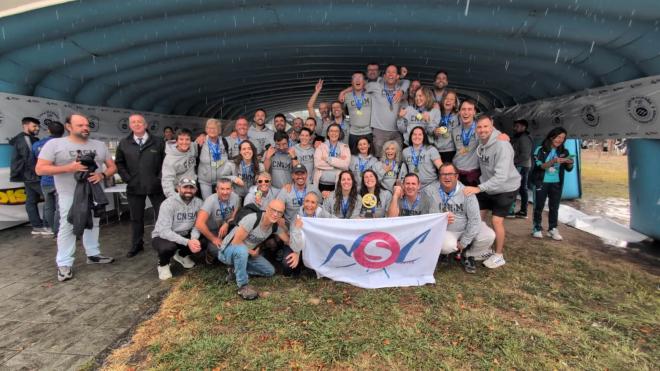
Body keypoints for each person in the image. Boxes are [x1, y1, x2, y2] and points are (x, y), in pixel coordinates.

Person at [36, 113, 117, 282]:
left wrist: (102, 175)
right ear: (69, 126)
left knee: (94, 222)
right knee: (68, 225)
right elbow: (40, 169)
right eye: (80, 125)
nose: (85, 128)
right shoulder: (55, 144)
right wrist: (68, 168)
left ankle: (93, 254)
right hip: (69, 194)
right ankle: (64, 263)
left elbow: (112, 167)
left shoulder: (99, 145)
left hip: (94, 192)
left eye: (87, 125)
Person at [463, 115, 521, 270]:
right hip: (488, 186)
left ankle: (499, 255)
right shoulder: (481, 142)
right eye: (479, 127)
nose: (482, 130)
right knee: (477, 218)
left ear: (492, 126)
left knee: (496, 221)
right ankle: (482, 249)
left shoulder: (502, 144)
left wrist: (479, 188)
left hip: (505, 187)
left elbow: (501, 177)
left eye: (486, 126)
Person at [218, 199, 299, 300]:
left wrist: (297, 251)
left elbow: (288, 241)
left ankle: (235, 271)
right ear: (267, 208)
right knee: (242, 251)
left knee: (269, 271)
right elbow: (236, 243)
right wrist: (252, 252)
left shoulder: (275, 226)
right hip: (228, 251)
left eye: (279, 212)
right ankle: (243, 286)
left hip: (247, 254)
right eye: (273, 210)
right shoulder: (252, 219)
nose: (275, 214)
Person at [425, 163, 495, 273]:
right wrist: (441, 218)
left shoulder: (467, 192)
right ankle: (449, 253)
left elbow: (475, 220)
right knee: (446, 246)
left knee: (489, 235)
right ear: (439, 176)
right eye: (443, 174)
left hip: (466, 227)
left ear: (457, 176)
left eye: (450, 174)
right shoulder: (431, 191)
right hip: (448, 230)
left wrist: (464, 242)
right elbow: (427, 214)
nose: (447, 177)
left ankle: (468, 254)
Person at [115, 114, 167, 257]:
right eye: (133, 122)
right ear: (130, 125)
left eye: (139, 122)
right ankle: (137, 244)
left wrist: (159, 179)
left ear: (145, 125)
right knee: (136, 218)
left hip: (156, 186)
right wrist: (127, 178)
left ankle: (164, 243)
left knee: (163, 215)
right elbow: (119, 163)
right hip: (134, 186)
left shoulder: (158, 142)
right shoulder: (124, 143)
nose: (136, 124)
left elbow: (165, 162)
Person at [151, 178, 203, 280]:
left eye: (191, 188)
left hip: (185, 234)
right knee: (168, 248)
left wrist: (193, 239)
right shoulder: (168, 204)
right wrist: (187, 242)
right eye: (185, 187)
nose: (188, 190)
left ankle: (182, 255)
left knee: (203, 241)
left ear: (195, 190)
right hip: (164, 236)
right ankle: (163, 264)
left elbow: (198, 225)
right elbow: (164, 231)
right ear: (178, 189)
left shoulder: (199, 203)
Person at [531, 127, 574, 240]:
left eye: (563, 138)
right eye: (558, 137)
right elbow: (541, 166)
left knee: (554, 207)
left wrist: (570, 162)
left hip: (556, 183)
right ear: (551, 136)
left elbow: (569, 169)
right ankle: (537, 228)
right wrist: (553, 161)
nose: (560, 140)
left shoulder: (564, 152)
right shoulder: (540, 150)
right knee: (538, 206)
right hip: (542, 182)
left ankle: (552, 229)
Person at [10, 117, 50, 235]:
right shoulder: (25, 139)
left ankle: (37, 226)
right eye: (34, 126)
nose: (37, 128)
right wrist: (38, 172)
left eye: (38, 126)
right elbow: (29, 159)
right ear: (26, 126)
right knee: (49, 197)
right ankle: (47, 225)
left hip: (28, 175)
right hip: (32, 175)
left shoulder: (29, 139)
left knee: (31, 200)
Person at [366, 64, 408, 157]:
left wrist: (401, 91)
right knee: (378, 156)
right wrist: (343, 92)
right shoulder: (375, 86)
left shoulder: (400, 88)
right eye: (388, 72)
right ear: (384, 76)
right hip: (379, 131)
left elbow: (407, 81)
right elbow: (359, 85)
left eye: (393, 72)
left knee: (397, 158)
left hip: (396, 132)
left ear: (398, 76)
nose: (390, 74)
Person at [32, 120, 65, 235]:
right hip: (61, 180)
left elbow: (34, 161)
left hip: (45, 180)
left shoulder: (37, 144)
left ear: (49, 130)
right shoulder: (65, 143)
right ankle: (58, 231)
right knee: (60, 207)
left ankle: (52, 230)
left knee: (49, 207)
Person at [195, 178, 241, 262]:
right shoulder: (210, 201)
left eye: (228, 189)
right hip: (213, 230)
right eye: (222, 189)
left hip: (227, 227)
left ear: (232, 189)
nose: (225, 192)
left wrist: (227, 223)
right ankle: (208, 253)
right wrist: (213, 239)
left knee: (240, 240)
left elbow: (235, 214)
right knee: (218, 250)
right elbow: (199, 224)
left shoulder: (236, 197)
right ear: (216, 189)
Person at [198, 119, 232, 199]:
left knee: (222, 203)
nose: (211, 130)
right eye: (209, 128)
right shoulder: (201, 142)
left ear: (219, 130)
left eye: (214, 128)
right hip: (205, 181)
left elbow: (229, 159)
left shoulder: (224, 142)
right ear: (206, 130)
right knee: (208, 203)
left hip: (222, 180)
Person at [451, 99, 481, 186]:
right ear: (459, 112)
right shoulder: (455, 131)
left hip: (472, 173)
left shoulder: (480, 128)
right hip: (456, 171)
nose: (466, 112)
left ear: (474, 112)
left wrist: (501, 135)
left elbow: (492, 132)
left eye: (469, 109)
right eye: (463, 109)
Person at [313, 124, 351, 192]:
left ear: (339, 134)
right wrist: (338, 163)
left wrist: (328, 159)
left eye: (336, 131)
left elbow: (345, 165)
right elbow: (317, 164)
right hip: (321, 184)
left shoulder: (345, 147)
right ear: (328, 133)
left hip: (337, 184)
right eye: (331, 131)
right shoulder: (320, 146)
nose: (334, 133)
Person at [161, 128, 197, 198]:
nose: (184, 142)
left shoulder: (192, 147)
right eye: (181, 139)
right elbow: (167, 181)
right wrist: (174, 197)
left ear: (190, 141)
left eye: (187, 139)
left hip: (192, 186)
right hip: (178, 190)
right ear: (176, 141)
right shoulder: (170, 159)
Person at [509, 119, 535, 218]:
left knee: (517, 188)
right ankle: (522, 211)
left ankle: (513, 211)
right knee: (521, 188)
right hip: (521, 165)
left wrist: (513, 161)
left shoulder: (524, 138)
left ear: (524, 127)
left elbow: (525, 155)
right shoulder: (519, 137)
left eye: (517, 126)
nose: (515, 128)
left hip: (522, 166)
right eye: (515, 126)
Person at [343, 71, 373, 153]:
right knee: (353, 156)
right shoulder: (347, 96)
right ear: (352, 82)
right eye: (355, 78)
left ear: (364, 82)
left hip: (368, 131)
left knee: (369, 156)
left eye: (360, 78)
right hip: (353, 132)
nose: (357, 80)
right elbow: (340, 106)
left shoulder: (370, 95)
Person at [431, 90, 459, 163]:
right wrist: (434, 131)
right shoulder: (437, 114)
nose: (448, 101)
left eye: (451, 99)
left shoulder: (458, 116)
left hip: (451, 150)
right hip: (437, 150)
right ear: (443, 101)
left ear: (455, 104)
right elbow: (430, 128)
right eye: (446, 98)